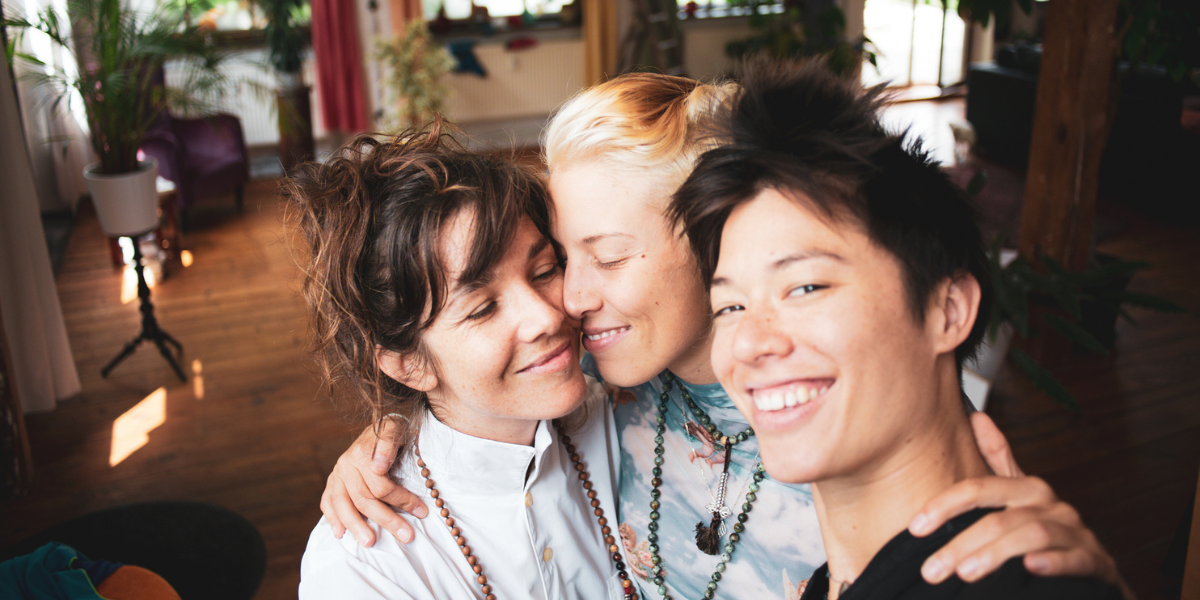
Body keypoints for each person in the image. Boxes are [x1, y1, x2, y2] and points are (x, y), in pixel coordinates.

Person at [317, 73, 1126, 599]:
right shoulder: (607, 394)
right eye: (567, 259)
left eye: (602, 257)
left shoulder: (866, 414)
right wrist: (400, 421)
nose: (564, 302)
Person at [672, 60, 1122, 600]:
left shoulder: (1019, 583)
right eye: (729, 307)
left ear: (948, 310)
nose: (749, 342)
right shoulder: (836, 582)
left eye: (807, 288)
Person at [287, 123, 634, 599]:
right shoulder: (367, 567)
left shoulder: (626, 414)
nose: (547, 317)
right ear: (407, 363)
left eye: (545, 270)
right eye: (483, 308)